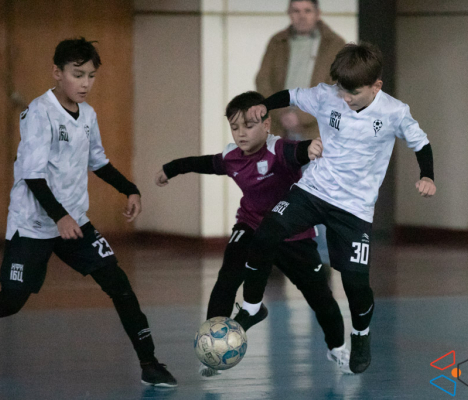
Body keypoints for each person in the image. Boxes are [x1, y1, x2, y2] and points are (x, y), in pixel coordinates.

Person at [0, 38, 177, 387]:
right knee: (11, 301)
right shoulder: (39, 113)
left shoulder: (88, 115)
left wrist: (130, 188)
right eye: (77, 74)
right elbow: (32, 175)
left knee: (119, 285)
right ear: (57, 73)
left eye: (91, 76)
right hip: (33, 224)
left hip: (75, 224)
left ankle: (150, 363)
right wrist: (59, 216)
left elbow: (98, 162)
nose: (85, 83)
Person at [235, 42, 437, 374]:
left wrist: (427, 176)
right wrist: (263, 106)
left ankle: (361, 335)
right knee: (266, 232)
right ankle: (253, 307)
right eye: (341, 89)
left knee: (355, 283)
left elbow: (421, 143)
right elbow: (291, 95)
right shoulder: (326, 94)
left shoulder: (395, 112)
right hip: (314, 190)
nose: (344, 97)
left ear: (376, 86)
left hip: (354, 208)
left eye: (352, 92)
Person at [155, 91, 351, 376]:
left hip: (292, 234)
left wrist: (310, 148)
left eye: (248, 125)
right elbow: (201, 163)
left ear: (266, 125)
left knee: (321, 297)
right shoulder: (231, 158)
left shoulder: (278, 149)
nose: (241, 133)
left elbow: (297, 151)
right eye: (235, 127)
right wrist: (170, 169)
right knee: (227, 279)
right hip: (251, 226)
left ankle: (337, 348)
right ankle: (213, 347)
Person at [256, 0, 346, 141]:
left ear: (317, 13)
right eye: (296, 11)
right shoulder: (277, 42)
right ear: (289, 14)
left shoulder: (335, 45)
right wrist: (281, 113)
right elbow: (263, 81)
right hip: (279, 126)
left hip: (318, 128)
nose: (302, 16)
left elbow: (339, 87)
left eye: (307, 11)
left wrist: (302, 116)